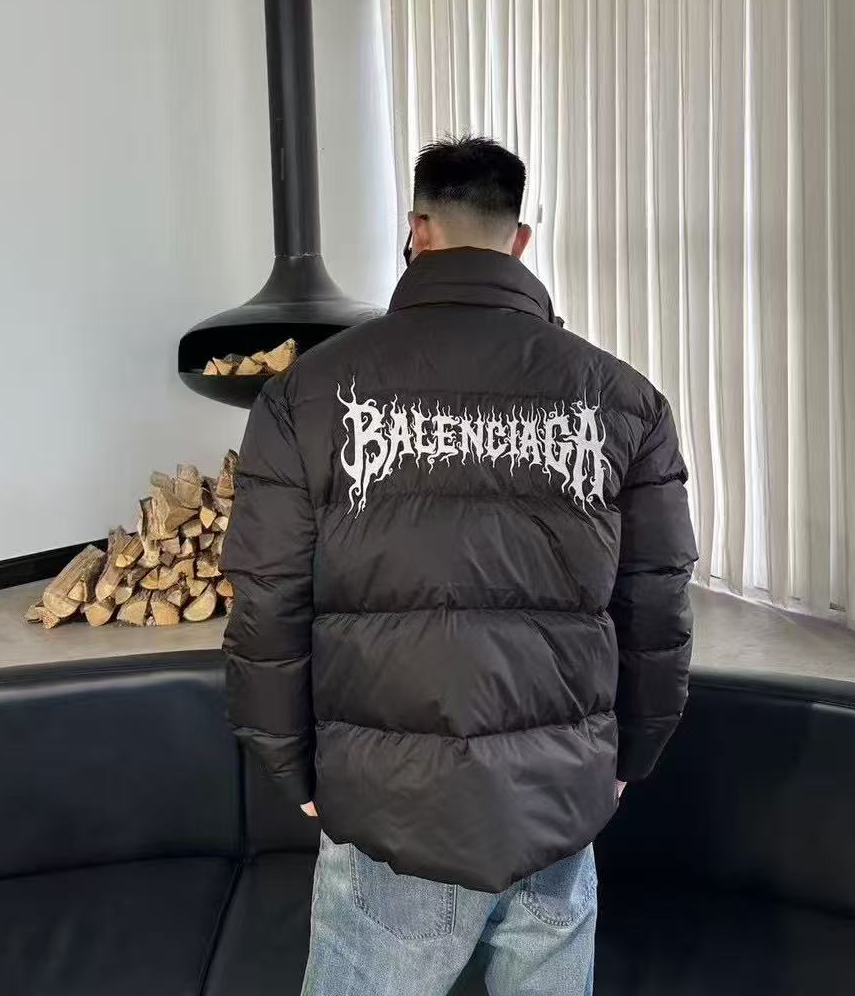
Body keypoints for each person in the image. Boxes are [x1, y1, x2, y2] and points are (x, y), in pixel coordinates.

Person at [222, 136, 696, 996]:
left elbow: (267, 598)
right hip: (559, 794)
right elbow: (656, 605)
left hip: (391, 801)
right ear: (521, 240)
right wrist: (632, 754)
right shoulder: (625, 399)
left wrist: (288, 764)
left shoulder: (306, 394)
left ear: (418, 231)